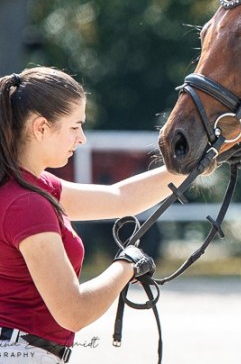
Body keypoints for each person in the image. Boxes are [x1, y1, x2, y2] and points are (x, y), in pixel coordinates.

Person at [0, 67, 186, 363]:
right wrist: (127, 265)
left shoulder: (30, 186)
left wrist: (189, 167)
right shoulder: (27, 203)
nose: (82, 138)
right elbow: (73, 312)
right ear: (41, 128)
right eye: (75, 127)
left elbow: (121, 198)